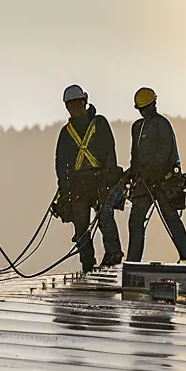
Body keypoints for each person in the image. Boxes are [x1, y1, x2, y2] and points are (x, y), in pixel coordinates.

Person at [54, 84, 124, 273]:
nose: (73, 108)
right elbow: (61, 162)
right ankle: (87, 262)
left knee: (105, 218)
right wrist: (63, 186)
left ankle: (113, 255)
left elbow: (110, 149)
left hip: (100, 179)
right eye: (70, 105)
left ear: (84, 102)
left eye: (76, 104)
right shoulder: (66, 132)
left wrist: (110, 178)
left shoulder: (99, 124)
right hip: (78, 184)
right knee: (81, 224)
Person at [123, 87, 186, 262]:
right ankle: (133, 262)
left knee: (171, 220)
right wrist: (131, 172)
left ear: (153, 105)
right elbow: (135, 155)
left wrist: (148, 171)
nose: (145, 112)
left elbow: (165, 152)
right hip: (145, 182)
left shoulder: (162, 124)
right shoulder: (137, 127)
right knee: (136, 221)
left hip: (163, 182)